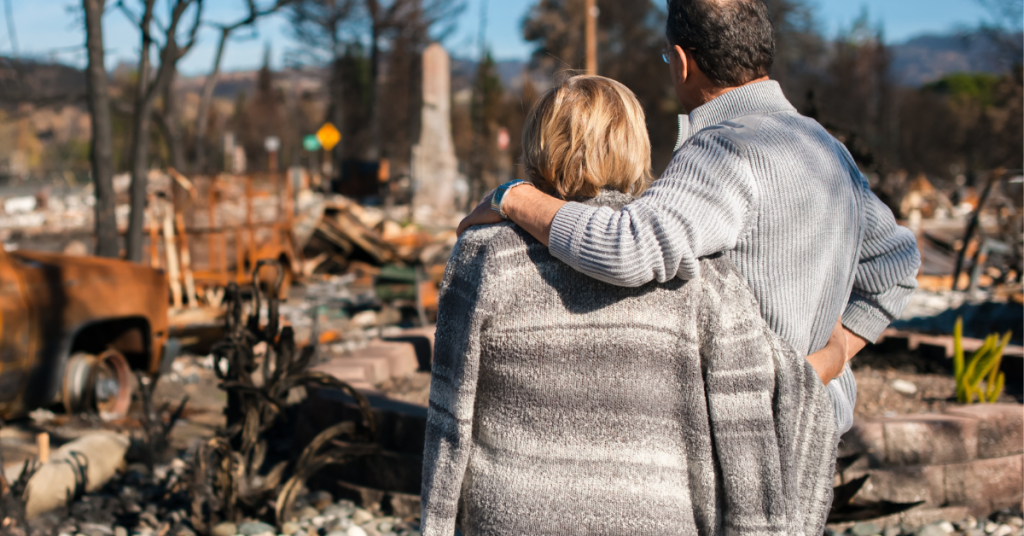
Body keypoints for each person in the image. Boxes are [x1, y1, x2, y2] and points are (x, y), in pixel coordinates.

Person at [458, 0, 921, 435]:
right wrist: (838, 349)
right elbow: (897, 264)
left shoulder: (724, 147)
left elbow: (626, 247)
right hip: (820, 428)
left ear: (682, 61)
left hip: (752, 438)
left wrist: (512, 197)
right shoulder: (825, 148)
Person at [422, 75, 839, 536]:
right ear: (636, 146)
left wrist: (437, 524)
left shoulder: (483, 256)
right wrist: (833, 356)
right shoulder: (699, 274)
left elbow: (449, 417)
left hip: (511, 518)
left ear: (536, 146)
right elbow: (746, 429)